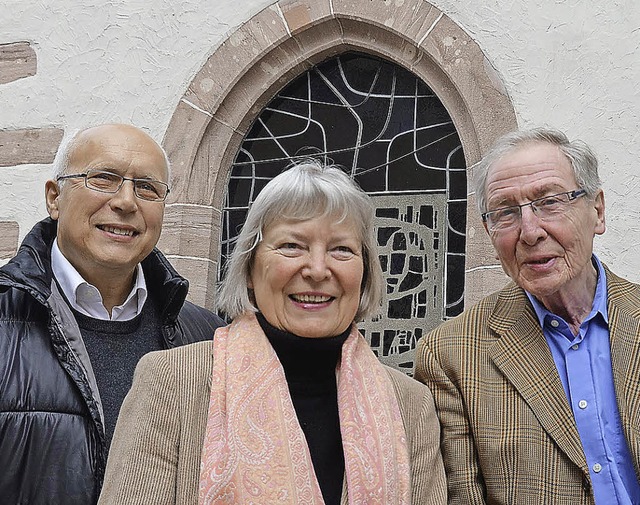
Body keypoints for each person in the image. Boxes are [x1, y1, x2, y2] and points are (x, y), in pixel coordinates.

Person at [98, 159, 447, 505]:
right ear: (250, 269)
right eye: (292, 246)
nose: (317, 269)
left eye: (341, 249)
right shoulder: (172, 382)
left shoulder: (410, 404)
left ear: (366, 273)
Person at [0, 123, 225, 505]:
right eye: (104, 179)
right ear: (54, 198)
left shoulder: (208, 337)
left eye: (147, 188)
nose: (126, 202)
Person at [414, 126, 640, 504]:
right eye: (505, 213)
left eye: (550, 202)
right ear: (488, 230)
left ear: (597, 211)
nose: (530, 232)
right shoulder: (451, 354)